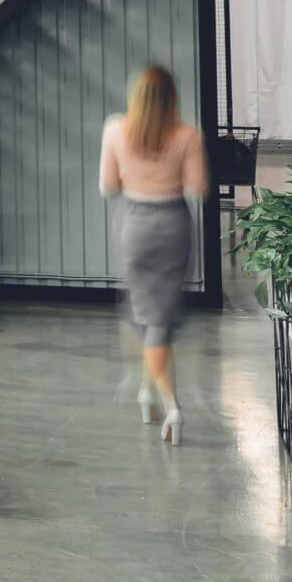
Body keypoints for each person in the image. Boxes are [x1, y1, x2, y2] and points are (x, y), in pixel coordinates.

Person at [101, 63, 208, 445]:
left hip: (135, 225)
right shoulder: (188, 135)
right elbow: (198, 189)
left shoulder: (115, 129)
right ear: (172, 98)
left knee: (150, 317)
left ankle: (167, 403)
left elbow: (107, 185)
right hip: (173, 224)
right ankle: (154, 396)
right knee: (157, 316)